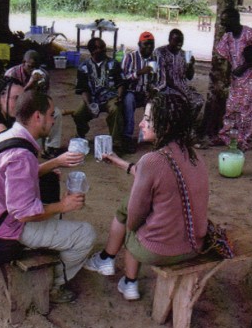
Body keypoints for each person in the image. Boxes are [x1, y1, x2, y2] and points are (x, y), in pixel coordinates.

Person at [84, 93, 209, 301]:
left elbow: (134, 216)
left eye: (148, 120)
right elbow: (156, 175)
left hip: (162, 250)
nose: (141, 123)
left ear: (165, 126)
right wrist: (119, 162)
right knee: (143, 210)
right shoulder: (191, 155)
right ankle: (118, 270)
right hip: (195, 245)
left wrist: (135, 226)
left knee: (130, 218)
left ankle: (120, 272)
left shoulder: (152, 160)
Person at [0, 86, 96, 303]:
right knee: (86, 234)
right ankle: (55, 284)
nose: (53, 121)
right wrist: (64, 205)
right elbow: (23, 213)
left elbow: (15, 179)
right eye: (51, 115)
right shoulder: (21, 155)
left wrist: (54, 163)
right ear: (37, 116)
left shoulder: (8, 136)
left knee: (50, 181)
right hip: (8, 227)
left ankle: (52, 248)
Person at [213, 7, 252, 151]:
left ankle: (242, 140)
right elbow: (225, 57)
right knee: (231, 107)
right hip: (238, 78)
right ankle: (226, 135)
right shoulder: (227, 37)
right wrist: (228, 75)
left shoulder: (250, 34)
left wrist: (245, 66)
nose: (222, 25)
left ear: (235, 20)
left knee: (246, 110)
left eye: (225, 21)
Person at [6, 49, 63, 157]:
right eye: (30, 66)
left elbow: (45, 97)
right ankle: (33, 148)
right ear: (23, 63)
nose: (33, 69)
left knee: (56, 114)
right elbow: (12, 99)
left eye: (36, 67)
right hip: (16, 108)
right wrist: (30, 84)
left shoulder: (43, 74)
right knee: (33, 118)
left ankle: (51, 147)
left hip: (35, 106)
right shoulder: (11, 74)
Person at [72, 37, 125, 152]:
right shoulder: (83, 67)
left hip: (110, 97)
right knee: (78, 114)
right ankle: (81, 136)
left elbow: (121, 83)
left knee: (116, 109)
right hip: (92, 99)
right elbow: (83, 89)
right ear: (93, 51)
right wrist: (89, 104)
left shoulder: (113, 63)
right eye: (101, 48)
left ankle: (116, 143)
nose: (104, 49)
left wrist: (119, 96)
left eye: (104, 46)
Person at [119, 31, 159, 153]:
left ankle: (153, 136)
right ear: (139, 44)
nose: (149, 48)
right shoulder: (130, 57)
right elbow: (122, 78)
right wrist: (139, 72)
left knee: (158, 101)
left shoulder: (155, 58)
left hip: (147, 93)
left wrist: (154, 89)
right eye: (145, 44)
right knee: (128, 101)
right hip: (133, 92)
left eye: (151, 45)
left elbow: (159, 78)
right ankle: (127, 137)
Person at [153, 29, 204, 120]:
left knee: (199, 101)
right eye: (176, 41)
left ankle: (187, 124)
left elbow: (189, 77)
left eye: (181, 41)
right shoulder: (160, 52)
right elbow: (163, 77)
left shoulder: (184, 55)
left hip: (182, 87)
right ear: (169, 40)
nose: (179, 44)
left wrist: (191, 65)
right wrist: (181, 92)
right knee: (180, 103)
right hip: (166, 87)